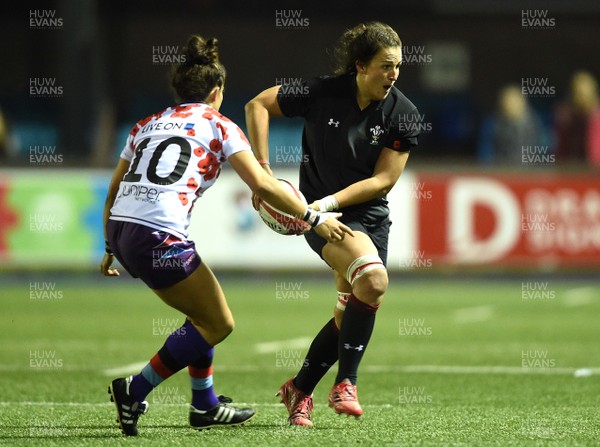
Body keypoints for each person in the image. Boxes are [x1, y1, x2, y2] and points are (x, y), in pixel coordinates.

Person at [101, 34, 352, 437]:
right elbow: (263, 186)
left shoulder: (145, 123)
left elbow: (114, 189)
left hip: (122, 227)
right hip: (157, 237)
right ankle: (134, 389)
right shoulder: (219, 126)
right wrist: (312, 217)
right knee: (218, 323)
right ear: (217, 92)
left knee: (200, 314)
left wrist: (111, 243)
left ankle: (204, 405)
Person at [245, 21, 420, 426]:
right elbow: (257, 105)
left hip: (366, 216)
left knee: (348, 315)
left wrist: (328, 201)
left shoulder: (404, 114)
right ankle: (346, 383)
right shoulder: (321, 92)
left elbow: (384, 180)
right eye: (385, 66)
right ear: (360, 66)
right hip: (322, 222)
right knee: (373, 282)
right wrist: (263, 170)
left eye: (398, 67)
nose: (393, 75)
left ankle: (299, 388)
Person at [477, 85, 548, 166]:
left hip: (529, 170)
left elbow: (543, 149)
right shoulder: (491, 124)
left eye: (516, 101)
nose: (512, 105)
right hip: (501, 169)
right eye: (508, 101)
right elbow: (485, 155)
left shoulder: (534, 123)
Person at [554, 70, 600, 167]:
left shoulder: (596, 118)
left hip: (595, 170)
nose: (581, 97)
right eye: (578, 93)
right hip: (571, 170)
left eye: (584, 93)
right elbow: (561, 147)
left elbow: (594, 151)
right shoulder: (566, 117)